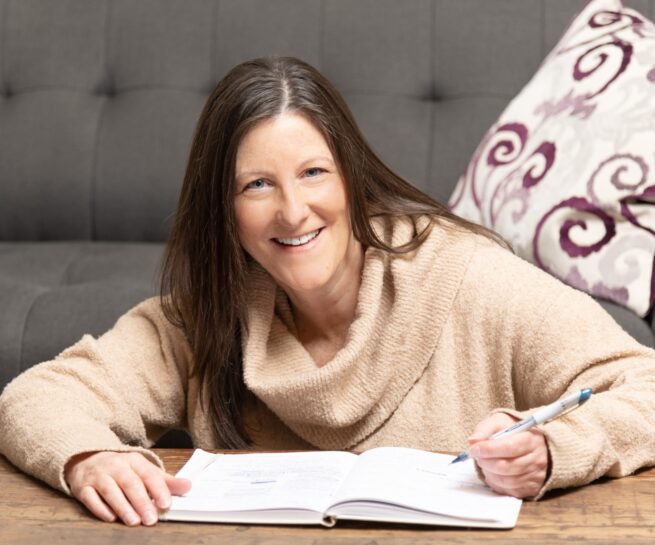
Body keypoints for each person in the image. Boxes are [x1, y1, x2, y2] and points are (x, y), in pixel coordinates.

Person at [1, 56, 655, 528]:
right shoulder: (203, 316)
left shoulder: (468, 278)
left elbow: (643, 386)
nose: (293, 211)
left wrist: (551, 448)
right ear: (222, 209)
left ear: (351, 178)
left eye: (313, 172)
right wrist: (87, 456)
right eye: (257, 185)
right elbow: (35, 397)